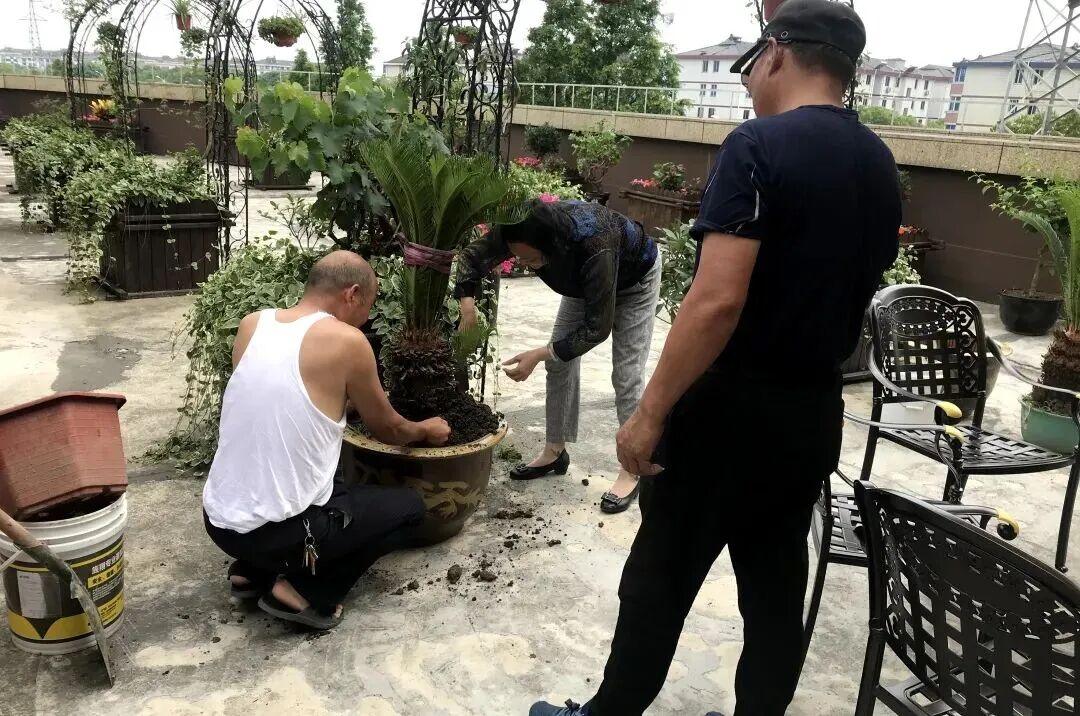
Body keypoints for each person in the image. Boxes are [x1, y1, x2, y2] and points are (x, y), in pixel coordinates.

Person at [530, 1, 899, 714]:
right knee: (774, 589)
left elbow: (715, 303)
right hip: (811, 412)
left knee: (657, 580)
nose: (748, 80)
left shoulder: (757, 145)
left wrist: (649, 413)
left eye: (749, 65)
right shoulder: (878, 161)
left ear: (776, 53)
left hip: (725, 414)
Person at [202, 250, 450, 631]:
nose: (367, 317)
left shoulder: (253, 324)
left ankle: (251, 572)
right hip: (281, 535)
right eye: (369, 305)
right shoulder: (348, 342)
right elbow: (391, 430)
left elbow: (278, 405)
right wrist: (427, 429)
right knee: (409, 509)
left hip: (219, 522)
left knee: (324, 480)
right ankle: (305, 591)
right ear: (352, 294)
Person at [455, 198, 661, 514]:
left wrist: (540, 353)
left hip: (635, 281)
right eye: (517, 257)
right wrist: (467, 307)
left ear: (553, 246)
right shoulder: (520, 229)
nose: (523, 264)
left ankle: (633, 468)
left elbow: (597, 329)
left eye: (530, 259)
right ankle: (554, 452)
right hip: (583, 282)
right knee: (559, 365)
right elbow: (471, 256)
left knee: (626, 375)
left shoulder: (594, 244)